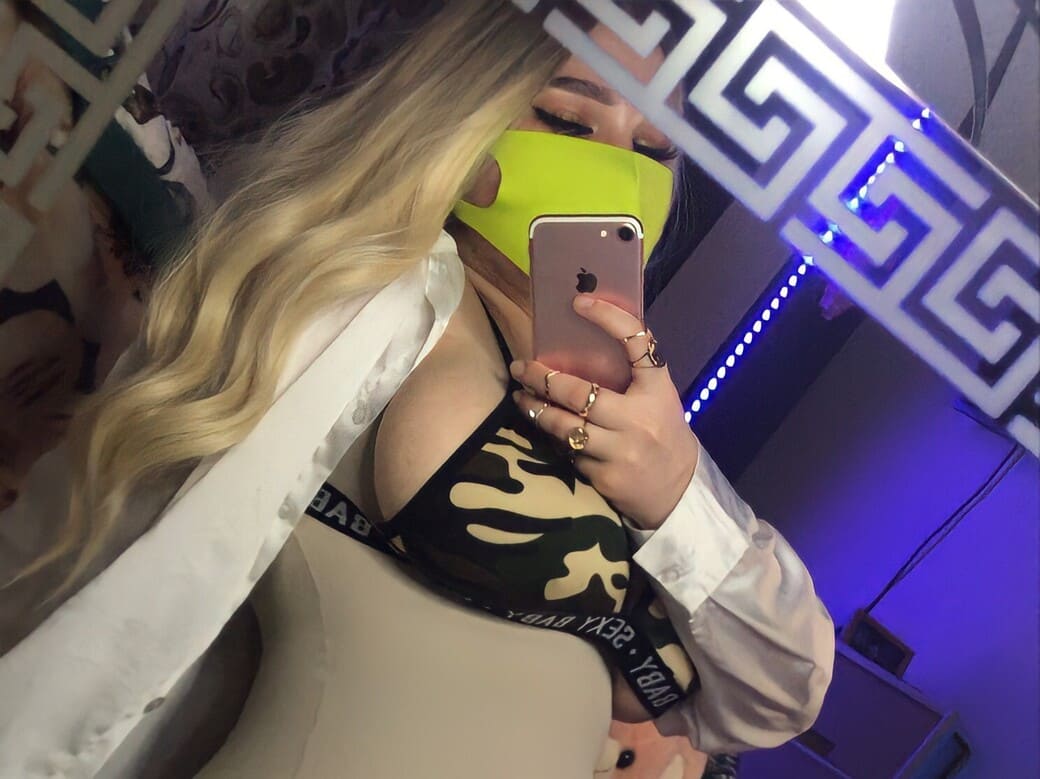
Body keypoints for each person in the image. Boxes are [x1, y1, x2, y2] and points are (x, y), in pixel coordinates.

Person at [0, 2, 834, 777]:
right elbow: (144, 557)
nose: (615, 171)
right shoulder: (361, 295)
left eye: (653, 153)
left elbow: (779, 691)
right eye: (568, 122)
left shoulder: (631, 400)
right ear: (466, 110)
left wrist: (676, 487)